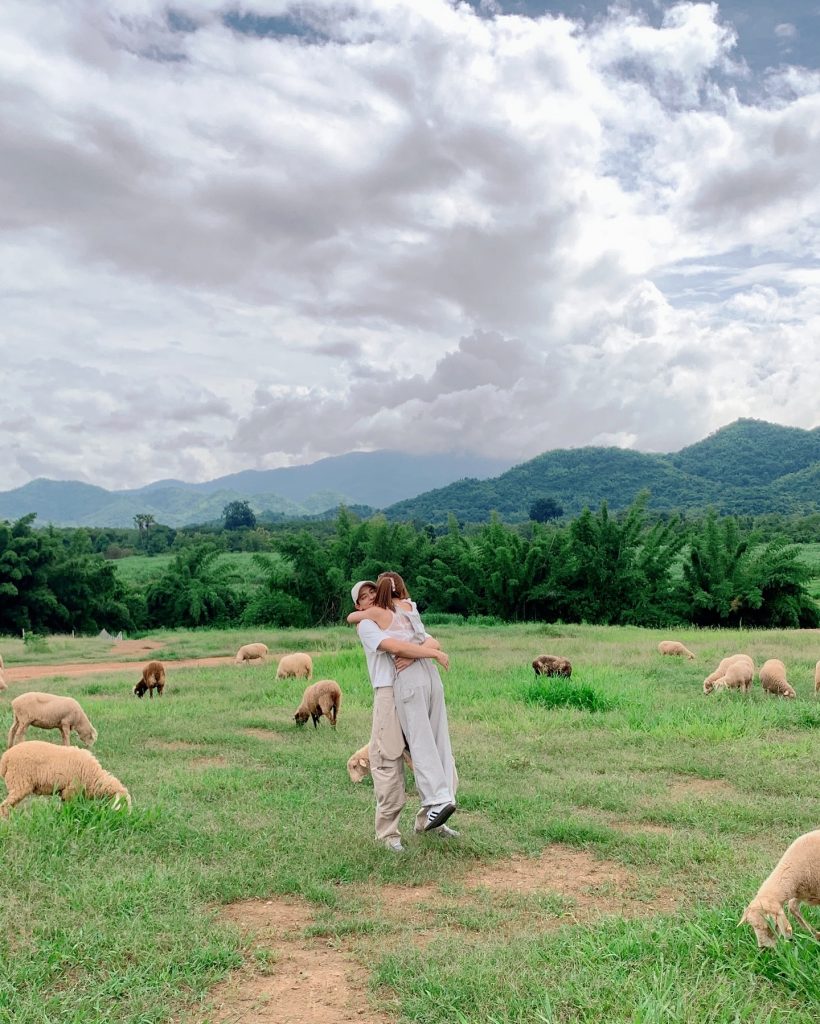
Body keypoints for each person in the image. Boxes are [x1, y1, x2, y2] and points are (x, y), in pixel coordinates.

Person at [349, 580, 455, 852]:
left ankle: (431, 820)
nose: (370, 597)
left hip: (413, 686)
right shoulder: (367, 625)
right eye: (364, 596)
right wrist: (427, 654)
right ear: (358, 605)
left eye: (373, 591)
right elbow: (395, 646)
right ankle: (388, 833)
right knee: (387, 759)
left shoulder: (395, 615)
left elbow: (426, 638)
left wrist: (417, 655)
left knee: (431, 749)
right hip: (388, 693)